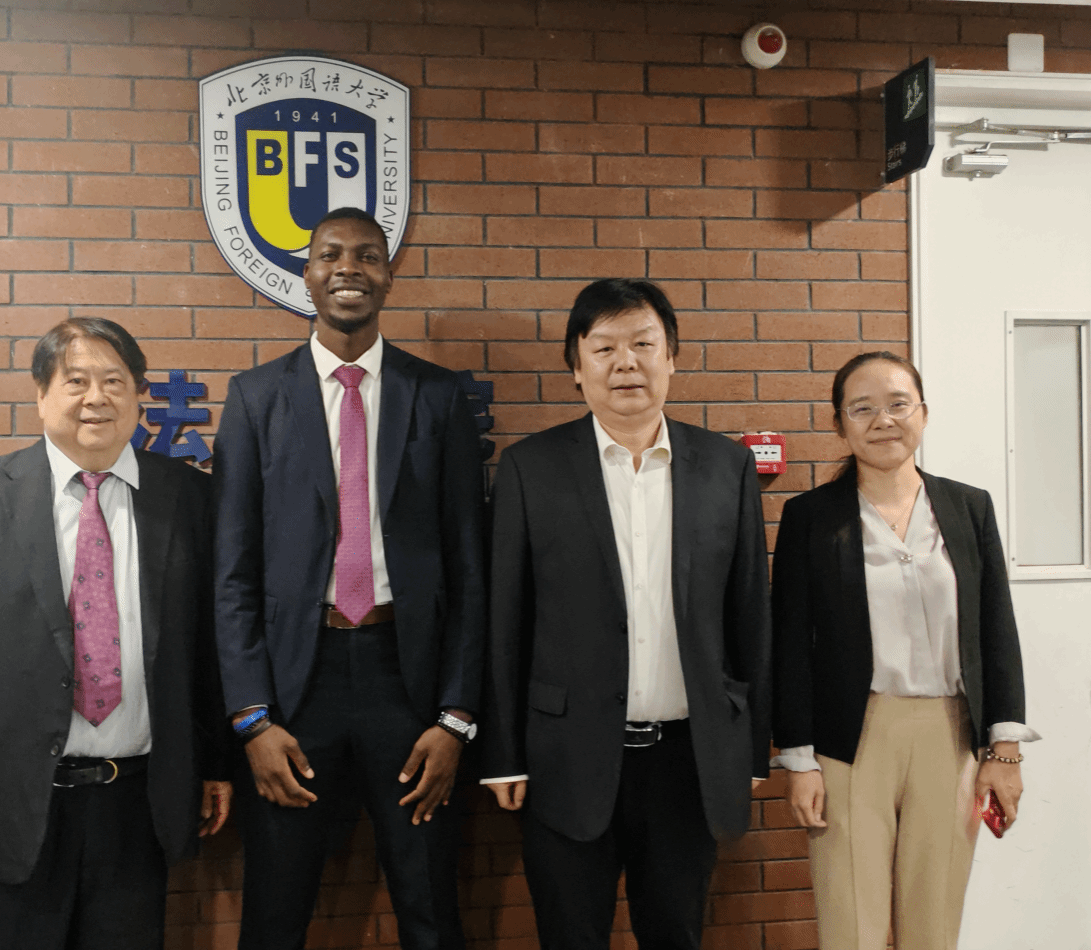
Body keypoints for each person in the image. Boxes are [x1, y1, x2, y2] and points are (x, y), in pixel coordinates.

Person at [0, 317, 232, 950]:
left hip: (135, 804)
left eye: (114, 381)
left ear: (140, 395)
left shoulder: (188, 497)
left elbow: (205, 648)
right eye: (76, 381)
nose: (97, 398)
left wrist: (214, 763)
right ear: (41, 395)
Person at [213, 207, 486, 950]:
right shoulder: (256, 398)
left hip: (410, 683)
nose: (348, 269)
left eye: (367, 256)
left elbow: (470, 570)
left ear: (388, 276)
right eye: (331, 254)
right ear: (305, 274)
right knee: (275, 913)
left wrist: (457, 717)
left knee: (430, 908)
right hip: (295, 690)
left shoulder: (437, 397)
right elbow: (232, 573)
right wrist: (251, 719)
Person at [482, 278, 772, 950]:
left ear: (673, 357)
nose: (626, 363)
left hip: (688, 761)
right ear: (576, 366)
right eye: (605, 347)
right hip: (565, 759)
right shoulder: (530, 468)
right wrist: (503, 756)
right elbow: (504, 623)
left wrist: (751, 749)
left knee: (675, 934)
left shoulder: (725, 466)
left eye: (643, 344)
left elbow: (749, 614)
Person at [770, 351, 1039, 950]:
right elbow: (789, 643)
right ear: (839, 424)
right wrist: (798, 759)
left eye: (898, 404)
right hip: (849, 738)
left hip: (951, 735)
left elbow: (997, 630)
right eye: (862, 408)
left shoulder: (969, 507)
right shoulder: (810, 517)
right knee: (852, 923)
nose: (883, 420)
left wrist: (1005, 752)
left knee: (933, 922)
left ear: (923, 413)